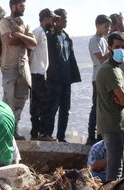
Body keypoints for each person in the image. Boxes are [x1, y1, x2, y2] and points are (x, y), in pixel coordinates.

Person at [95, 31, 124, 182]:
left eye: (123, 47)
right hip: (113, 124)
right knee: (116, 170)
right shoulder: (108, 70)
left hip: (119, 124)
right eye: (117, 47)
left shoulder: (118, 70)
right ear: (109, 48)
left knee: (123, 169)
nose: (121, 50)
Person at [0, 0, 36, 139]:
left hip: (23, 68)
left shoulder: (25, 25)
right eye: (21, 6)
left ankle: (13, 130)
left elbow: (33, 42)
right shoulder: (5, 22)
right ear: (13, 7)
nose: (23, 9)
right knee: (9, 100)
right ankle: (4, 131)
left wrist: (20, 35)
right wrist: (24, 40)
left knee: (20, 101)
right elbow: (8, 40)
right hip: (9, 66)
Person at [45, 8, 80, 142]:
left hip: (66, 78)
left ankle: (61, 136)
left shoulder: (66, 37)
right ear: (57, 20)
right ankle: (48, 134)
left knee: (65, 109)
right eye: (63, 18)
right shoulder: (50, 36)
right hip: (54, 79)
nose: (65, 21)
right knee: (52, 107)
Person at [29, 8, 55, 140]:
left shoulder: (43, 33)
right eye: (51, 19)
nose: (53, 22)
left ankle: (36, 133)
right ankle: (42, 133)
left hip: (39, 72)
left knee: (37, 104)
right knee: (43, 103)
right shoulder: (38, 32)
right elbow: (30, 49)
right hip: (36, 72)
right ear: (45, 19)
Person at [87, 14, 112, 145]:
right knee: (96, 107)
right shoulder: (94, 40)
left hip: (105, 77)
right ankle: (91, 136)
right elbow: (101, 58)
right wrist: (112, 51)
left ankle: (100, 135)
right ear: (98, 26)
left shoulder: (104, 40)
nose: (107, 29)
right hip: (98, 77)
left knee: (103, 108)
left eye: (108, 27)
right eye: (105, 26)